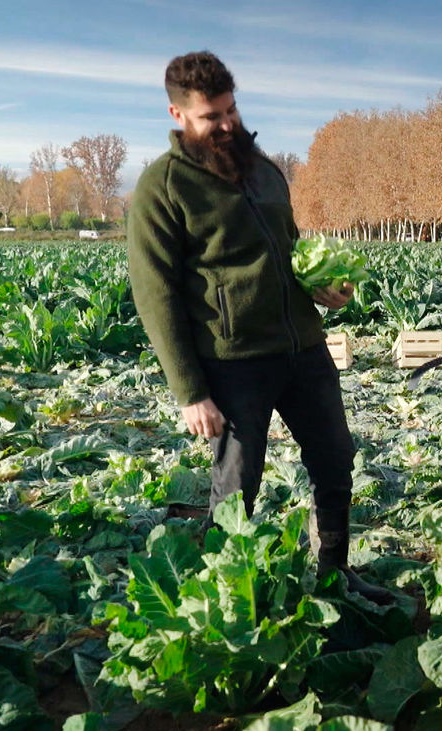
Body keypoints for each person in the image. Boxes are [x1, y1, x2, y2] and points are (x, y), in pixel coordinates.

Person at [127, 51, 390, 603]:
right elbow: (155, 294)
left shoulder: (266, 171)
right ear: (178, 115)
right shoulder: (164, 187)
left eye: (230, 110)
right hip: (233, 360)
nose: (226, 125)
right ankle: (229, 592)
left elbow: (291, 253)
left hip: (303, 348)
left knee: (335, 459)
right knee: (238, 482)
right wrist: (190, 391)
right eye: (210, 117)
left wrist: (329, 291)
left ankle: (334, 572)